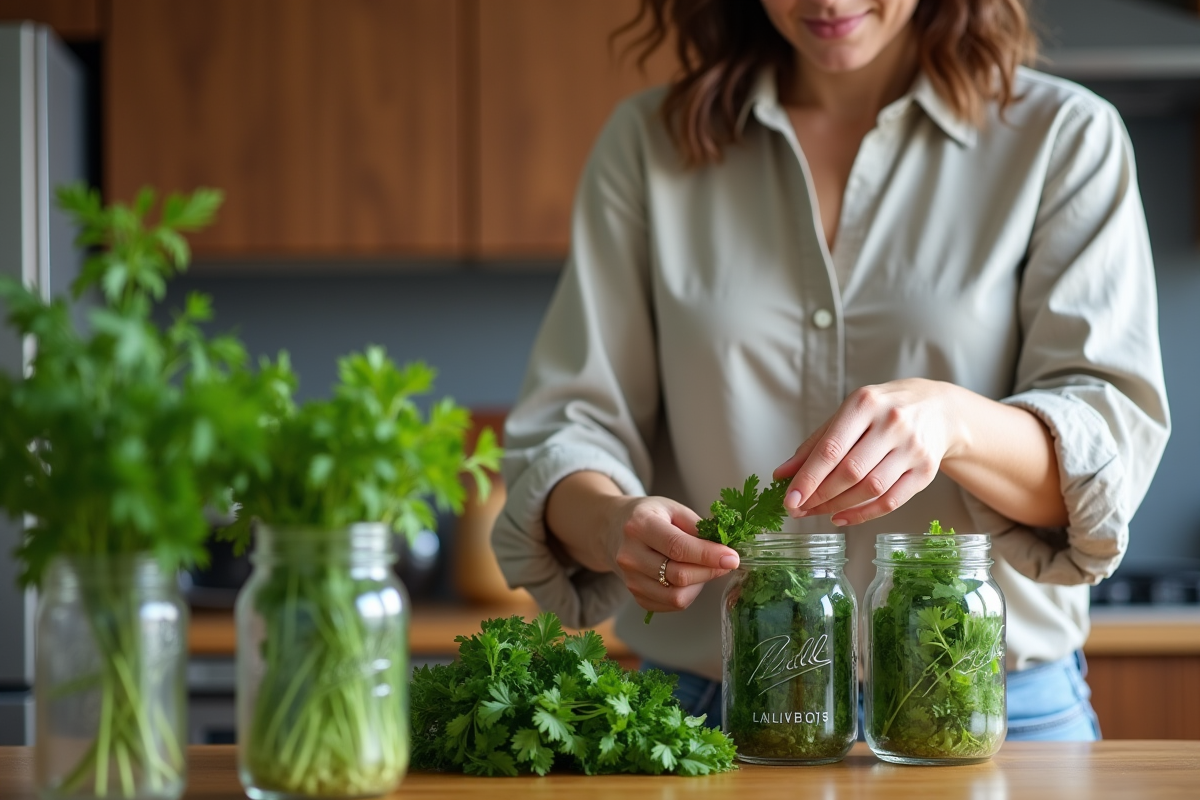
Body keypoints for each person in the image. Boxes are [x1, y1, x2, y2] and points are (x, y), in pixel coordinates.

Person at [492, 0, 1170, 741]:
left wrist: (953, 422)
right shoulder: (647, 143)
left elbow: (1097, 469)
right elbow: (570, 428)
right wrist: (612, 521)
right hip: (713, 710)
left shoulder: (1064, 136)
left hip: (986, 707)